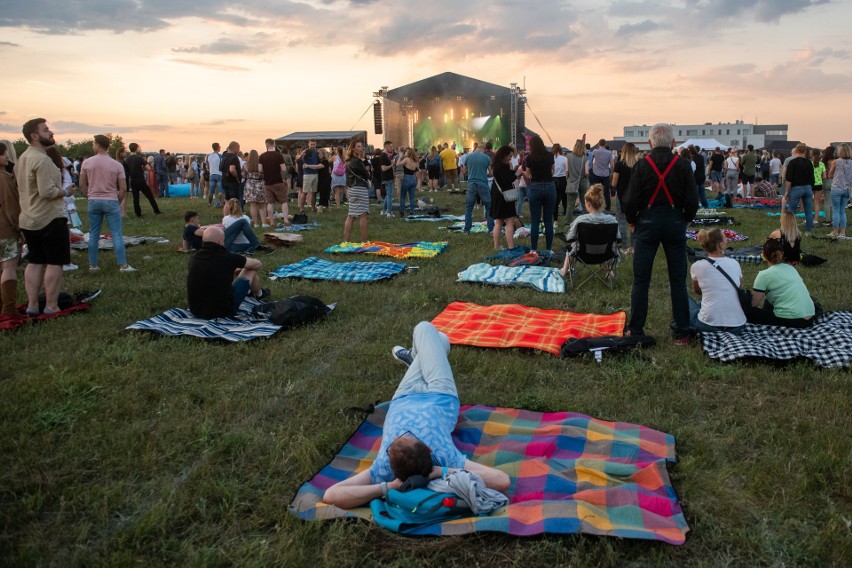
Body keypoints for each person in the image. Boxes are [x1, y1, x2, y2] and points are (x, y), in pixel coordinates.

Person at [322, 321, 511, 509]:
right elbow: (502, 481)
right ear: (429, 449)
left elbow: (331, 495)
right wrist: (442, 471)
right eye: (406, 438)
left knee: (437, 341)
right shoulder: (446, 457)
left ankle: (417, 357)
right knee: (427, 330)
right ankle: (419, 355)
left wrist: (386, 487)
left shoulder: (382, 468)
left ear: (390, 459)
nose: (397, 435)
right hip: (441, 394)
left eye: (394, 442)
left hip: (404, 395)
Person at [622, 123, 699, 344]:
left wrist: (632, 221)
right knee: (677, 280)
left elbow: (629, 199)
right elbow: (692, 200)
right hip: (675, 221)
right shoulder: (683, 165)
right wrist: (685, 218)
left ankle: (636, 330)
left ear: (650, 143)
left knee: (641, 280)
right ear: (673, 143)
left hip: (646, 222)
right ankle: (682, 332)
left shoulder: (642, 165)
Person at [15, 118, 71, 315]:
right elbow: (47, 192)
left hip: (28, 218)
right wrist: (66, 191)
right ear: (35, 135)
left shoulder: (22, 158)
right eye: (46, 130)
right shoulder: (43, 160)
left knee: (36, 260)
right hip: (49, 218)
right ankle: (51, 305)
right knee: (55, 262)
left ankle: (32, 305)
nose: (51, 132)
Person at [80, 134, 136, 273]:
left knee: (94, 234)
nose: (93, 146)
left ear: (98, 145)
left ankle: (93, 265)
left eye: (94, 144)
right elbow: (123, 188)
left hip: (93, 200)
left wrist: (89, 196)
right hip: (111, 200)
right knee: (116, 234)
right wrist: (117, 201)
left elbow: (82, 185)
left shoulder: (87, 163)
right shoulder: (116, 165)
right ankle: (123, 265)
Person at [187, 226, 269, 320]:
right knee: (250, 268)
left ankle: (255, 293)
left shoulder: (194, 257)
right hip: (223, 311)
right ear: (221, 240)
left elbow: (211, 271)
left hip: (196, 311)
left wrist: (230, 269)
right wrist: (240, 266)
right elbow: (257, 264)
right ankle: (259, 294)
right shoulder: (228, 257)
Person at [687, 228, 746, 334]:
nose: (727, 241)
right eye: (725, 239)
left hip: (708, 325)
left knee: (682, 297)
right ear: (720, 245)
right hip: (737, 326)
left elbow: (697, 292)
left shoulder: (697, 266)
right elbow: (738, 288)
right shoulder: (734, 263)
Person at [748, 238, 816, 328]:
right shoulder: (790, 268)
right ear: (782, 253)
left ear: (763, 255)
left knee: (750, 312)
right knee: (770, 298)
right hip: (809, 319)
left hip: (793, 321)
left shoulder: (764, 275)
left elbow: (753, 303)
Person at [559, 183, 619, 277]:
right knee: (603, 245)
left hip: (583, 254)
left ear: (588, 204)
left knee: (571, 249)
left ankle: (564, 271)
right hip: (605, 254)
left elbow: (570, 238)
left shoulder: (581, 220)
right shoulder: (612, 220)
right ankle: (609, 271)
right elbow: (618, 239)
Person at [524, 135, 556, 253]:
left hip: (535, 187)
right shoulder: (550, 155)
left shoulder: (529, 158)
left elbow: (528, 175)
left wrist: (531, 176)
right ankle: (549, 249)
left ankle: (533, 249)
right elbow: (553, 170)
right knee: (548, 220)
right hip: (549, 186)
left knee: (535, 220)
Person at [0, 141, 21, 315]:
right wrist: (19, 228)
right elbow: (10, 207)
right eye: (3, 154)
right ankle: (9, 308)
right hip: (4, 229)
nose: (7, 157)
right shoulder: (4, 179)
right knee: (8, 267)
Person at [489, 146, 518, 251]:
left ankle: (496, 246)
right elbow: (507, 180)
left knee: (499, 222)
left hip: (497, 195)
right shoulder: (501, 167)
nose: (510, 158)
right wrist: (516, 174)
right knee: (509, 221)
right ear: (504, 155)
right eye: (509, 156)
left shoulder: (496, 166)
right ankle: (511, 246)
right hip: (505, 196)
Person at [783, 142, 816, 235]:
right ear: (805, 151)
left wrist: (786, 191)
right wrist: (811, 189)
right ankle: (808, 231)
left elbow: (789, 179)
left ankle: (789, 230)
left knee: (791, 211)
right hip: (807, 188)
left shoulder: (792, 162)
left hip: (796, 188)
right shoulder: (809, 162)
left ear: (796, 150)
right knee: (808, 211)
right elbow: (812, 178)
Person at [611, 142, 637, 254]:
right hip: (635, 196)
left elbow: (614, 183)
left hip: (621, 195)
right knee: (634, 221)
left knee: (621, 221)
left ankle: (625, 247)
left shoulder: (619, 165)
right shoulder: (638, 165)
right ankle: (634, 246)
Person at [343, 139, 370, 242]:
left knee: (351, 215)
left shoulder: (347, 161)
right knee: (363, 215)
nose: (361, 148)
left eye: (361, 146)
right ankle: (364, 241)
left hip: (352, 189)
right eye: (358, 146)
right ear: (353, 148)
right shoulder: (358, 161)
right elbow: (366, 175)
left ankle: (346, 241)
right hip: (360, 188)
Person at [124, 143, 161, 217]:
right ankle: (156, 210)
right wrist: (141, 168)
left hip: (133, 181)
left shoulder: (126, 160)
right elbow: (148, 168)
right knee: (149, 196)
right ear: (136, 148)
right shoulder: (139, 158)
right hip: (140, 180)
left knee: (135, 198)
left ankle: (138, 213)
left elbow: (126, 171)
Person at [259, 139, 290, 227]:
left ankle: (272, 223)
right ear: (274, 144)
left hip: (267, 182)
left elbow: (260, 170)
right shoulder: (279, 156)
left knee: (270, 203)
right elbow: (284, 169)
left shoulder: (262, 156)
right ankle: (286, 220)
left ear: (266, 145)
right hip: (278, 181)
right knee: (283, 201)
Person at [463, 145, 493, 233]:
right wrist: (484, 174)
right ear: (483, 149)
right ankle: (491, 229)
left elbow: (464, 172)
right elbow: (491, 173)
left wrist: (472, 172)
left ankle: (467, 229)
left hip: (471, 184)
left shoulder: (468, 156)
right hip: (483, 184)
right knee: (489, 207)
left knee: (469, 208)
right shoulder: (486, 157)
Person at [828, 143, 851, 238]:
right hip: (847, 189)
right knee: (842, 211)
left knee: (836, 210)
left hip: (836, 188)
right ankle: (843, 232)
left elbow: (830, 175)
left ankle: (835, 232)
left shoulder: (836, 162)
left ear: (840, 151)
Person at [565, 139, 588, 228]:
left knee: (570, 203)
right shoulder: (585, 157)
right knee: (585, 202)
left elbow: (566, 171)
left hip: (571, 181)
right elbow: (586, 172)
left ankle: (568, 222)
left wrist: (568, 179)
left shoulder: (568, 156)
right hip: (582, 181)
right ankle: (587, 219)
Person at [242, 150, 266, 227]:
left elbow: (243, 175)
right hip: (260, 184)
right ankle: (264, 223)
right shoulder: (261, 165)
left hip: (250, 185)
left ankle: (255, 223)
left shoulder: (246, 165)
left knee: (252, 205)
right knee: (262, 205)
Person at [589, 138, 614, 211]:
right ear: (605, 144)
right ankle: (608, 207)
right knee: (606, 191)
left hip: (596, 173)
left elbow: (592, 160)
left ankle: (596, 206)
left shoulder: (595, 151)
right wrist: (611, 172)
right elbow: (612, 164)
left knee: (596, 191)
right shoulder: (609, 153)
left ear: (598, 144)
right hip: (606, 174)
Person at [396, 147, 420, 217]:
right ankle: (412, 211)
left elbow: (398, 164)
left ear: (408, 153)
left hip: (406, 178)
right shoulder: (415, 160)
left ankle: (402, 212)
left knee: (403, 196)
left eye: (406, 152)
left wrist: (400, 157)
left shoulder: (406, 159)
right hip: (413, 178)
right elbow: (417, 169)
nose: (405, 153)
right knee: (412, 197)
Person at [298, 139, 320, 214]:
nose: (313, 146)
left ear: (316, 144)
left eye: (314, 144)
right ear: (308, 144)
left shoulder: (316, 152)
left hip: (315, 174)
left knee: (314, 192)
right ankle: (301, 208)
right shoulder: (306, 151)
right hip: (307, 174)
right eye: (311, 144)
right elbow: (298, 159)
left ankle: (313, 207)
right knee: (305, 192)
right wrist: (301, 154)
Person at [552, 143, 568, 223]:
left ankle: (555, 221)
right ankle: (566, 219)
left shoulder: (552, 159)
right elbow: (567, 170)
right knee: (565, 200)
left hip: (554, 180)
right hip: (563, 180)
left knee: (555, 201)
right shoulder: (564, 159)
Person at [379, 141, 396, 217]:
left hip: (388, 178)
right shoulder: (383, 156)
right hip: (387, 178)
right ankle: (389, 212)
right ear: (385, 147)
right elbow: (383, 168)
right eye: (390, 146)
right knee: (389, 196)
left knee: (387, 195)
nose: (391, 148)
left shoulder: (386, 156)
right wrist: (392, 165)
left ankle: (384, 210)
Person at [810, 149, 825, 224]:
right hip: (819, 184)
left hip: (811, 184)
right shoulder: (822, 164)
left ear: (812, 155)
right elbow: (825, 176)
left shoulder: (810, 163)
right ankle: (816, 219)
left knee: (809, 202)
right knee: (817, 202)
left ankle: (808, 218)